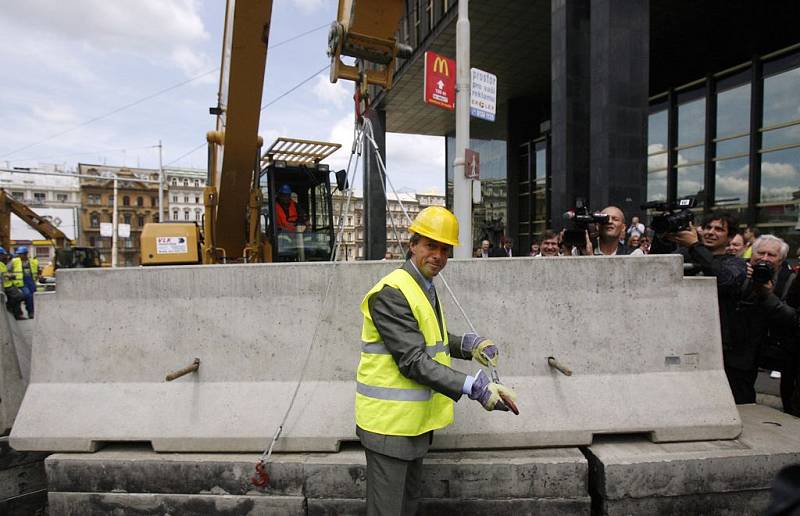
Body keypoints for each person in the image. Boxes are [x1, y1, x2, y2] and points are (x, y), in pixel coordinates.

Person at [356, 206, 517, 515]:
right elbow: (414, 360)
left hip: (411, 425)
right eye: (431, 245)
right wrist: (475, 387)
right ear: (412, 244)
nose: (439, 255)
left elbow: (433, 338)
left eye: (445, 249)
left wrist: (469, 346)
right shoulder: (392, 293)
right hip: (389, 427)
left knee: (407, 507)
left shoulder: (423, 286)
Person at [658, 212, 751, 402]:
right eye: (708, 227)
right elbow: (655, 268)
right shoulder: (683, 256)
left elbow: (724, 280)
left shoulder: (737, 264)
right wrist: (663, 239)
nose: (711, 232)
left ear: (730, 236)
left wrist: (695, 245)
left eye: (719, 229)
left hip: (720, 347)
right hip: (681, 339)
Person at [744, 235, 798, 414]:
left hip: (779, 351)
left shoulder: (790, 280)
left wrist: (768, 295)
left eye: (771, 255)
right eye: (761, 253)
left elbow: (791, 318)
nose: (765, 259)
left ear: (781, 260)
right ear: (752, 254)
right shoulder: (738, 274)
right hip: (744, 349)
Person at [10, 246, 38, 319]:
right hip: (21, 282)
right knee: (27, 295)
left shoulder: (32, 261)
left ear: (26, 254)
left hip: (31, 281)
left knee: (32, 297)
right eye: (19, 254)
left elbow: (37, 270)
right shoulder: (14, 261)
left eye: (21, 254)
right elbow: (8, 270)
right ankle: (29, 312)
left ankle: (31, 312)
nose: (19, 255)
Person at [0, 247, 23, 319]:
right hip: (4, 285)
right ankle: (11, 311)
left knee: (18, 297)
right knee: (17, 296)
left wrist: (9, 275)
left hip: (7, 284)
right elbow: (3, 274)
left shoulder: (2, 263)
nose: (5, 256)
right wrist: (10, 275)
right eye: (3, 255)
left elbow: (4, 273)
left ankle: (14, 312)